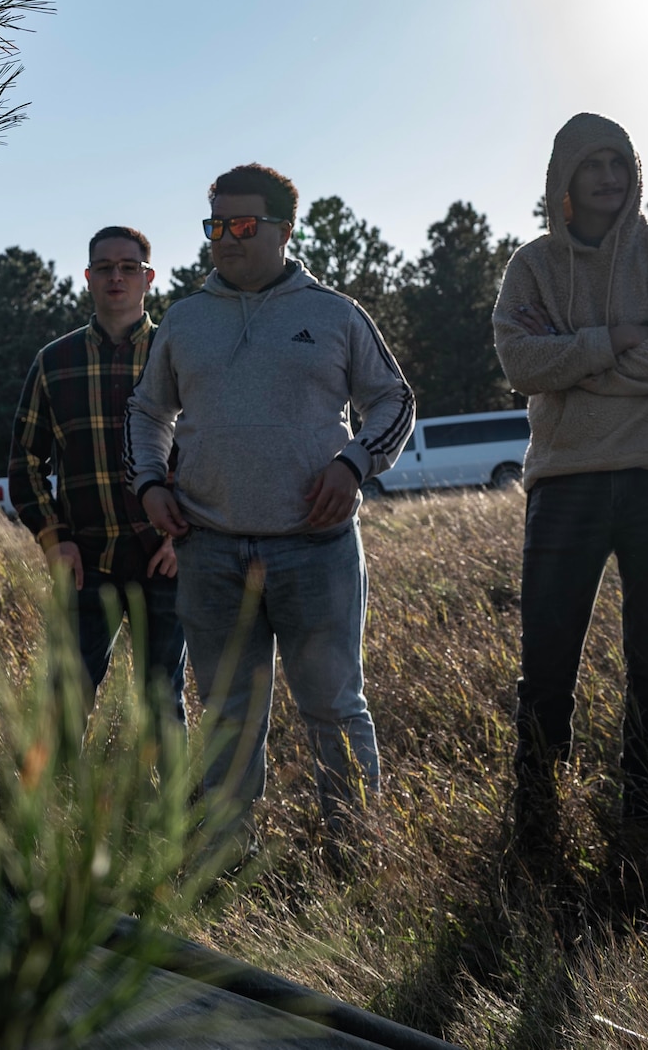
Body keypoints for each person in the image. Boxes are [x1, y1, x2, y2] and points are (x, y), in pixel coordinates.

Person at [126, 164, 414, 854]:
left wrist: (354, 463)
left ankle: (357, 850)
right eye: (216, 225)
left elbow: (394, 401)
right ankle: (227, 858)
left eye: (243, 224)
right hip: (212, 548)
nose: (226, 238)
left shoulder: (335, 314)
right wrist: (150, 484)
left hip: (314, 549)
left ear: (285, 230)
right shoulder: (186, 321)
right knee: (228, 713)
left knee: (333, 707)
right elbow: (147, 410)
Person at [492, 113, 648, 850]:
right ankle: (537, 819)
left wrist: (577, 363)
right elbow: (522, 364)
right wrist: (611, 341)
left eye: (621, 162)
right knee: (547, 665)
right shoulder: (531, 268)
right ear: (564, 179)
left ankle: (642, 812)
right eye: (594, 165)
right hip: (566, 479)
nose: (610, 177)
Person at [8, 226, 186, 731]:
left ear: (148, 277)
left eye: (128, 267)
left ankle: (173, 808)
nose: (116, 276)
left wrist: (183, 536)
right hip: (86, 560)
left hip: (165, 558)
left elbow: (208, 451)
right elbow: (24, 461)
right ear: (87, 277)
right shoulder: (54, 362)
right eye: (104, 267)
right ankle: (58, 809)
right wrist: (52, 539)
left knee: (163, 703)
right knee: (65, 701)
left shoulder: (176, 354)